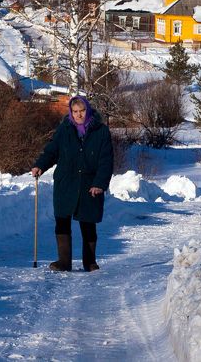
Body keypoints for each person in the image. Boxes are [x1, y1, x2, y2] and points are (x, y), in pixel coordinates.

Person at [31, 96, 114, 272]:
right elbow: (52, 151)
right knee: (62, 220)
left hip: (89, 184)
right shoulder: (64, 129)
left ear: (88, 110)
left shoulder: (101, 131)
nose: (78, 115)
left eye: (82, 111)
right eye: (75, 111)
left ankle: (90, 262)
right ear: (71, 112)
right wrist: (40, 165)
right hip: (66, 182)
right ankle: (64, 262)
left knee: (88, 222)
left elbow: (106, 161)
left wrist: (99, 183)